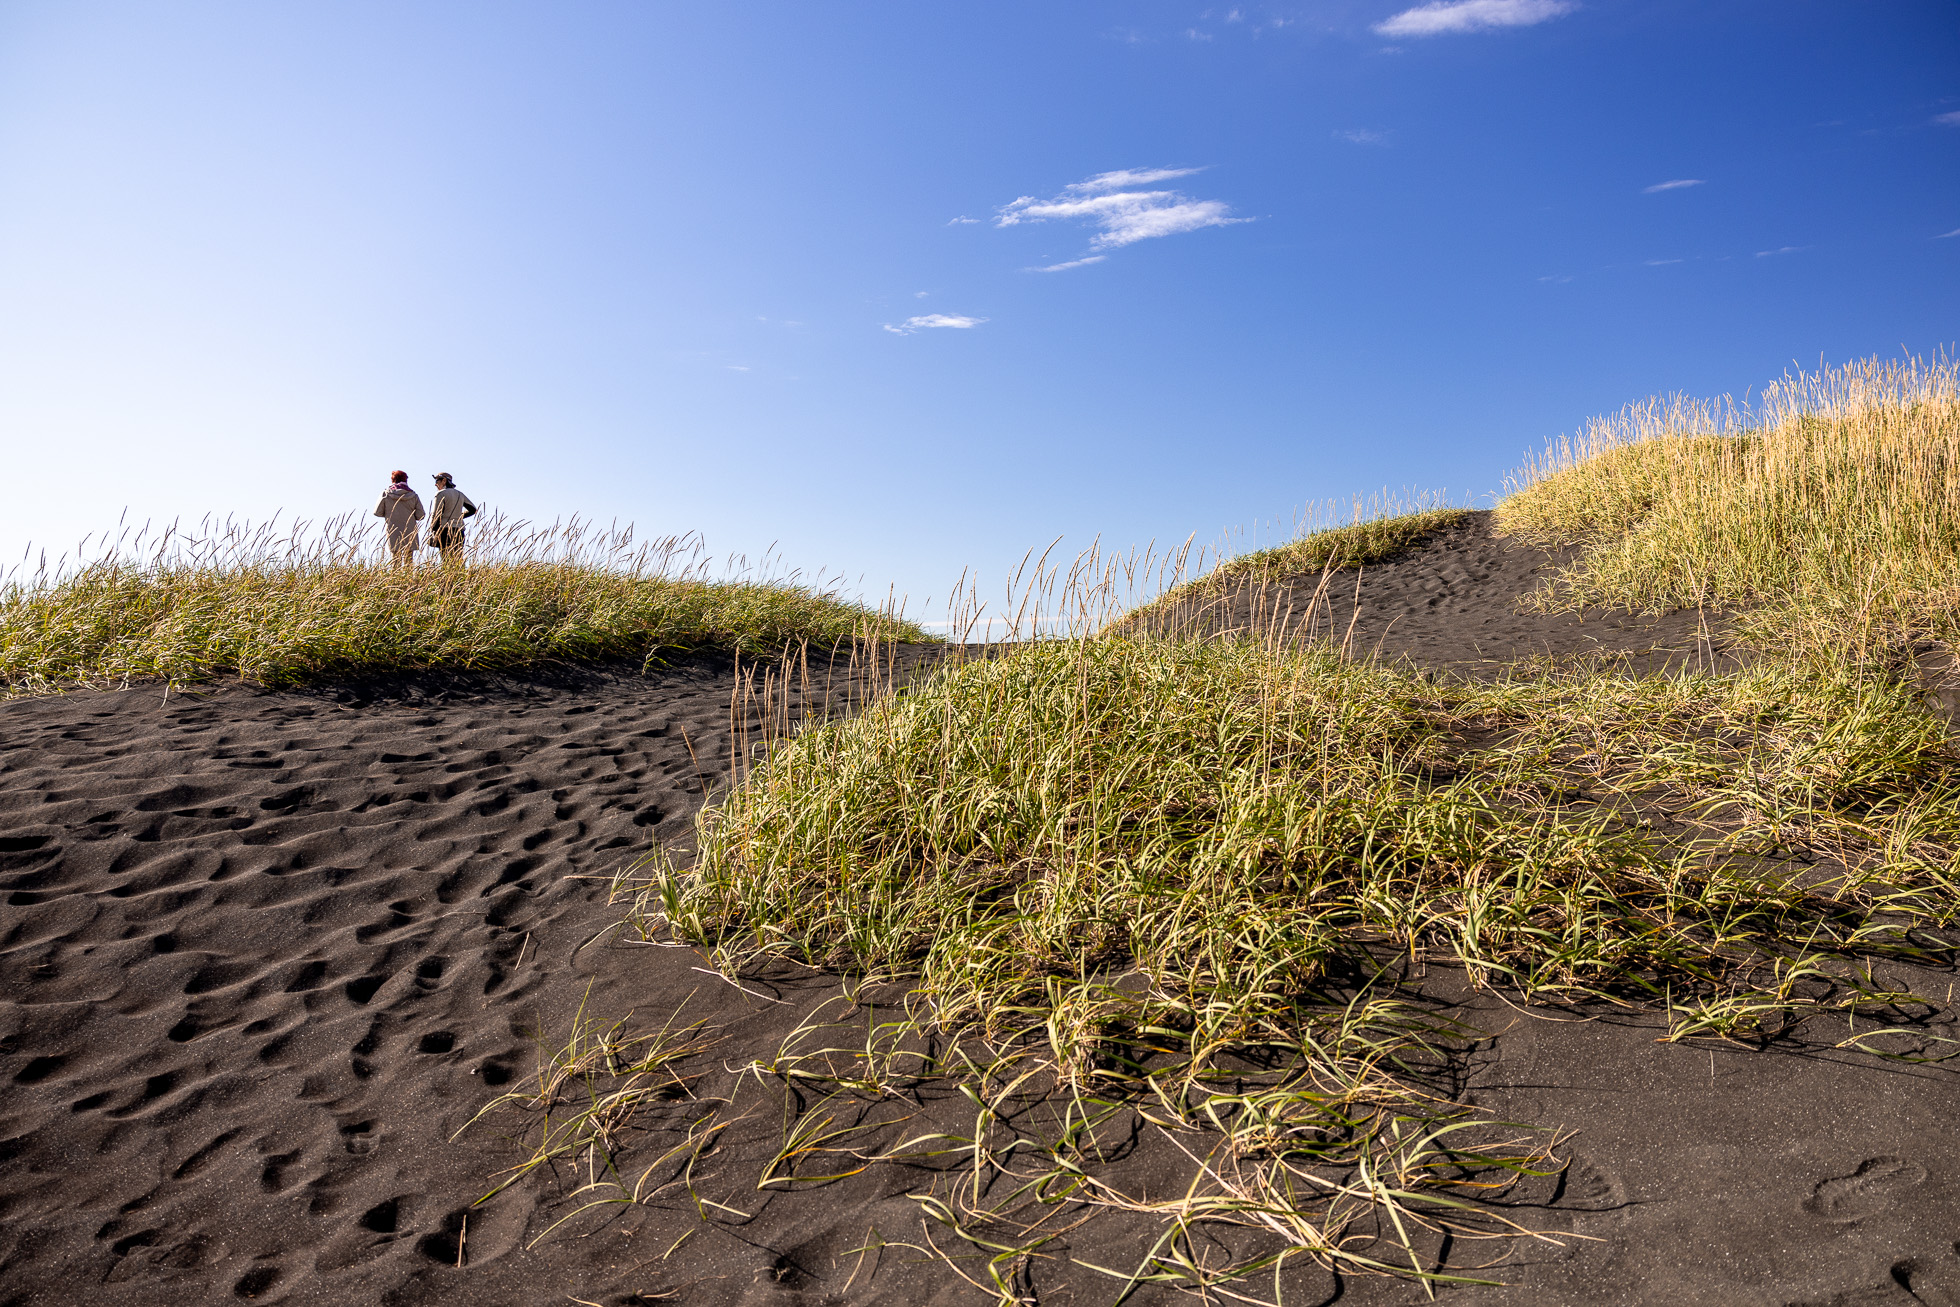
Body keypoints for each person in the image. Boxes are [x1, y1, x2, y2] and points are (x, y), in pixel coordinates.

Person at [373, 470, 425, 567]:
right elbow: (421, 515)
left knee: (395, 561)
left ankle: (395, 581)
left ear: (393, 480)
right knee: (409, 562)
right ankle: (408, 581)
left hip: (393, 530)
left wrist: (389, 514)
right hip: (410, 531)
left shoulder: (386, 494)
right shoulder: (413, 496)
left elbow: (377, 512)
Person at [426, 472, 479, 566]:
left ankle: (448, 580)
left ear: (444, 480)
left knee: (446, 560)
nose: (435, 483)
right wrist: (459, 516)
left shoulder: (440, 494)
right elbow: (473, 509)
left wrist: (433, 531)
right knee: (458, 560)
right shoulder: (460, 494)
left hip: (444, 531)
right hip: (459, 531)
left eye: (437, 480)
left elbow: (436, 515)